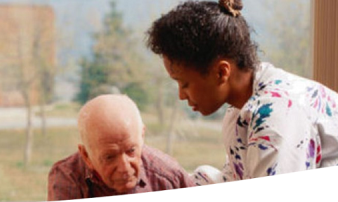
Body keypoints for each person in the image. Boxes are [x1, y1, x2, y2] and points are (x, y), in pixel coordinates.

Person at [145, 0, 338, 185]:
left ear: (221, 72)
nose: (181, 95)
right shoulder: (238, 111)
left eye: (184, 84)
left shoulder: (276, 115)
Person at [47, 94, 195, 200]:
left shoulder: (169, 176)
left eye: (131, 151)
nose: (124, 167)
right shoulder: (67, 177)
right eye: (109, 157)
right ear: (86, 156)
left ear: (142, 137)